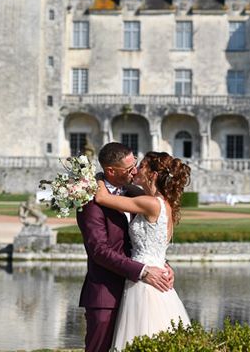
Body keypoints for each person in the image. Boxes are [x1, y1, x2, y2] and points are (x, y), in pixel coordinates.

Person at [76, 143, 174, 352]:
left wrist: (163, 264)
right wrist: (142, 271)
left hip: (141, 291)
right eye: (130, 169)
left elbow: (146, 239)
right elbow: (99, 251)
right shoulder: (90, 201)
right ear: (111, 171)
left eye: (136, 165)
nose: (136, 171)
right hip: (107, 293)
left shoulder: (135, 193)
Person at [94, 151, 191, 351]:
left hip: (145, 281)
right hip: (157, 274)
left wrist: (98, 176)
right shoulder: (163, 203)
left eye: (143, 166)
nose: (136, 170)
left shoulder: (150, 203)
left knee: (142, 335)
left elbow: (102, 198)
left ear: (153, 174)